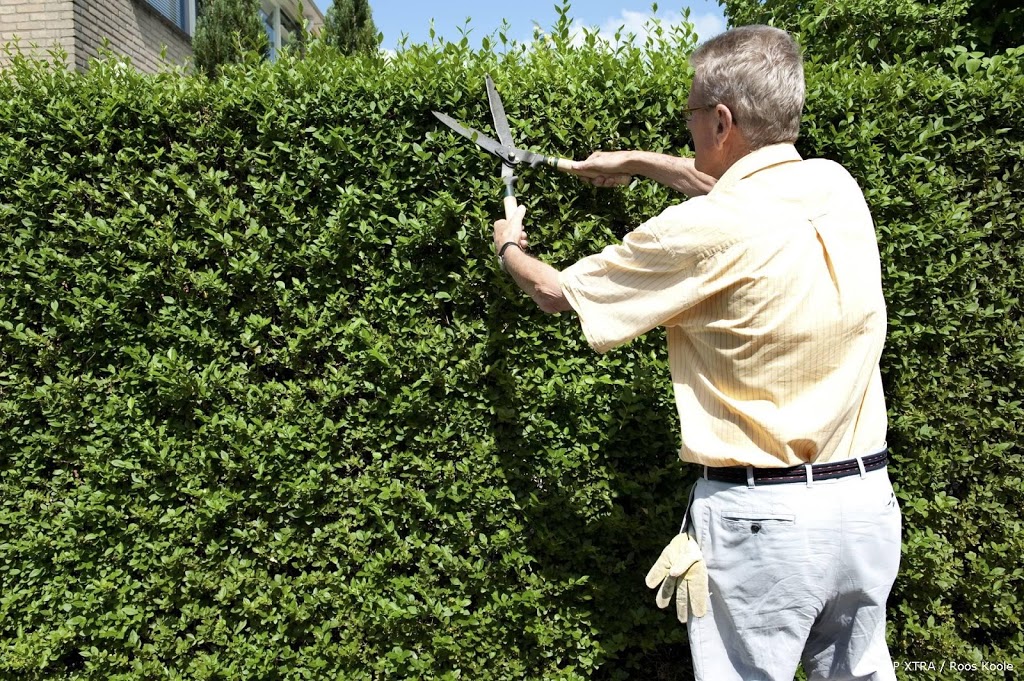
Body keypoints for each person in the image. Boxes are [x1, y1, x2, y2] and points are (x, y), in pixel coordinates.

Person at [491, 25, 902, 681]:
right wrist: (629, 160)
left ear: (720, 120)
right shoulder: (835, 187)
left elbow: (553, 291)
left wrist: (509, 243)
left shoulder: (700, 231)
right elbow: (737, 193)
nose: (686, 132)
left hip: (764, 522)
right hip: (867, 509)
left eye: (690, 116)